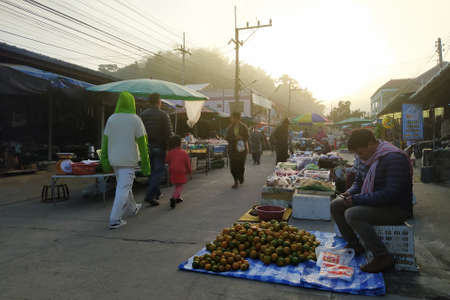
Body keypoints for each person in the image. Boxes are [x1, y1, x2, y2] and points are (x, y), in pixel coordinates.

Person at [330, 129, 413, 273]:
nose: (359, 157)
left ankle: (382, 256)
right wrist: (348, 193)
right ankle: (355, 244)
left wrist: (356, 199)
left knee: (353, 213)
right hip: (375, 202)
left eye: (360, 152)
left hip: (395, 208)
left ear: (370, 144)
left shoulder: (394, 159)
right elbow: (359, 182)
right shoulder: (365, 158)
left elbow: (390, 194)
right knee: (336, 204)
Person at [101, 92, 150, 229]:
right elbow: (143, 144)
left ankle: (132, 208)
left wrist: (104, 161)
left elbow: (105, 142)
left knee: (124, 186)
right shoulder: (136, 119)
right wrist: (146, 165)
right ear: (132, 103)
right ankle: (115, 219)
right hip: (128, 161)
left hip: (114, 160)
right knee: (123, 188)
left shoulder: (111, 119)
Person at [141, 93, 174, 207]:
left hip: (146, 147)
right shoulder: (163, 115)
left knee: (151, 172)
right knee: (159, 172)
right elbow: (169, 134)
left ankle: (157, 193)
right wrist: (170, 148)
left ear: (149, 102)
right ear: (159, 101)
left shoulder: (143, 115)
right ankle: (149, 196)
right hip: (159, 146)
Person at [166, 135, 191, 209]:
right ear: (180, 143)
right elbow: (187, 163)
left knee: (177, 184)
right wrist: (189, 171)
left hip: (172, 170)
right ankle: (174, 198)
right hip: (181, 170)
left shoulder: (170, 152)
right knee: (180, 186)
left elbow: (167, 161)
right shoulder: (184, 152)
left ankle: (178, 197)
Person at [225, 112, 249, 189]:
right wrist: (234, 139)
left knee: (241, 166)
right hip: (232, 150)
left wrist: (241, 137)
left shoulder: (244, 127)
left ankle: (241, 177)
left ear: (237, 118)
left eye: (232, 117)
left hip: (242, 150)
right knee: (233, 167)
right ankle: (235, 181)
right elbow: (227, 138)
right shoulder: (229, 128)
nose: (230, 119)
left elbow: (247, 137)